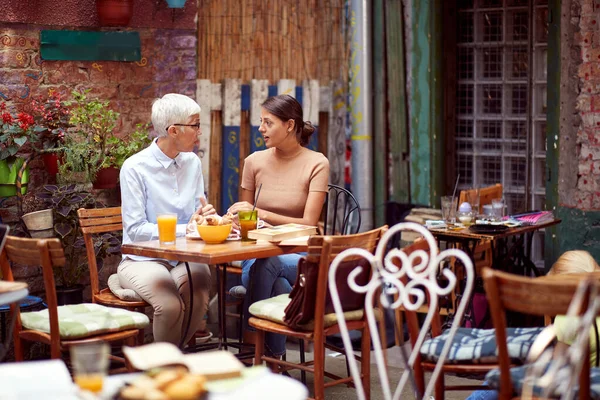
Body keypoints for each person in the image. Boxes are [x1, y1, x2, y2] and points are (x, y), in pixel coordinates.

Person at [227, 94, 330, 357]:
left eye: (268, 122)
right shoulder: (254, 162)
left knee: (269, 266)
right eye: (260, 122)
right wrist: (233, 219)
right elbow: (246, 221)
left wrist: (260, 212)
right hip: (257, 253)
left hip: (302, 258)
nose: (261, 128)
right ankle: (274, 362)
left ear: (290, 125)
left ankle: (255, 345)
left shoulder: (317, 163)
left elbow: (309, 224)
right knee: (279, 286)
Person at [118, 93, 215, 345]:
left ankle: (173, 360)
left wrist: (205, 218)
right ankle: (165, 369)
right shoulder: (134, 167)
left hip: (184, 257)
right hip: (142, 259)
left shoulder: (192, 162)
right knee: (170, 306)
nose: (199, 132)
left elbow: (197, 212)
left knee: (199, 289)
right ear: (173, 130)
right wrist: (187, 229)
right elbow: (136, 229)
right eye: (195, 125)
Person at [467, 250, 600, 400]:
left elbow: (556, 367)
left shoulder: (568, 319)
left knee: (505, 376)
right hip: (591, 385)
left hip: (569, 388)